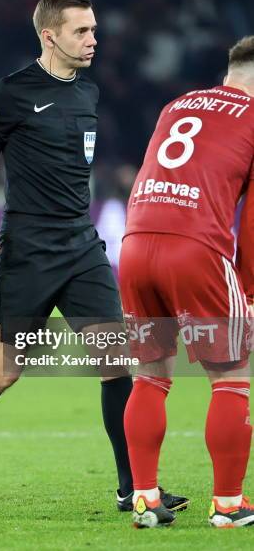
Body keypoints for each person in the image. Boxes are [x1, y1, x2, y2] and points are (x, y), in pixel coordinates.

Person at [0, 0, 187, 515]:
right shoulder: (11, 92)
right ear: (50, 35)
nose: (93, 40)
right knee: (4, 371)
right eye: (81, 31)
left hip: (82, 245)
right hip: (30, 250)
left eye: (94, 30)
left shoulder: (89, 93)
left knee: (115, 362)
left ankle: (133, 486)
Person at [119, 36, 254, 528]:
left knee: (151, 375)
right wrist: (250, 290)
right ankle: (229, 505)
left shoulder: (177, 104)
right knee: (231, 377)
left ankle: (144, 499)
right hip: (195, 247)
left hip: (135, 245)